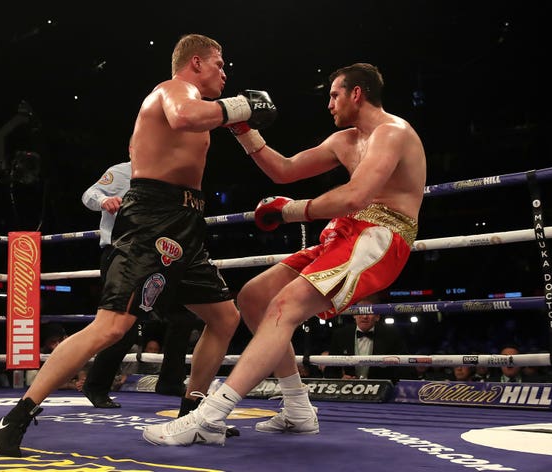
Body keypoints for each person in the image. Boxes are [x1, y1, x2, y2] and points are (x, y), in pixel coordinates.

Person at [0, 33, 276, 457]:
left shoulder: (200, 106)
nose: (225, 72)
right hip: (152, 219)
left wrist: (243, 124)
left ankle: (192, 415)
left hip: (186, 221)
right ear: (196, 63)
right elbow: (183, 118)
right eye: (219, 63)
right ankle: (17, 414)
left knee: (223, 318)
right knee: (112, 326)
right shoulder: (175, 90)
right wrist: (242, 104)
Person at [143, 62, 426, 446]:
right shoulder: (344, 141)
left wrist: (289, 210)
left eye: (334, 94)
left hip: (381, 235)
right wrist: (244, 131)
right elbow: (284, 170)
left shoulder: (393, 133)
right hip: (345, 232)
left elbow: (356, 196)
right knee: (255, 296)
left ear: (356, 93)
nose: (329, 103)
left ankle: (208, 416)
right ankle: (297, 408)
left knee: (284, 307)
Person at [80, 161, 202, 407]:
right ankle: (96, 386)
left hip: (163, 255)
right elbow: (89, 194)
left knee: (183, 316)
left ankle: (170, 381)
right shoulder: (123, 171)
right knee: (122, 324)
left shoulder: (170, 175)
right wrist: (104, 201)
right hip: (124, 255)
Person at [323, 296, 409, 382]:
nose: (364, 316)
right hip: (350, 389)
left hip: (381, 388)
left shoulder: (391, 335)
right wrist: (341, 379)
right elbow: (330, 370)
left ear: (377, 316)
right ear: (354, 314)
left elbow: (403, 368)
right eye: (360, 311)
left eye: (369, 312)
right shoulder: (341, 335)